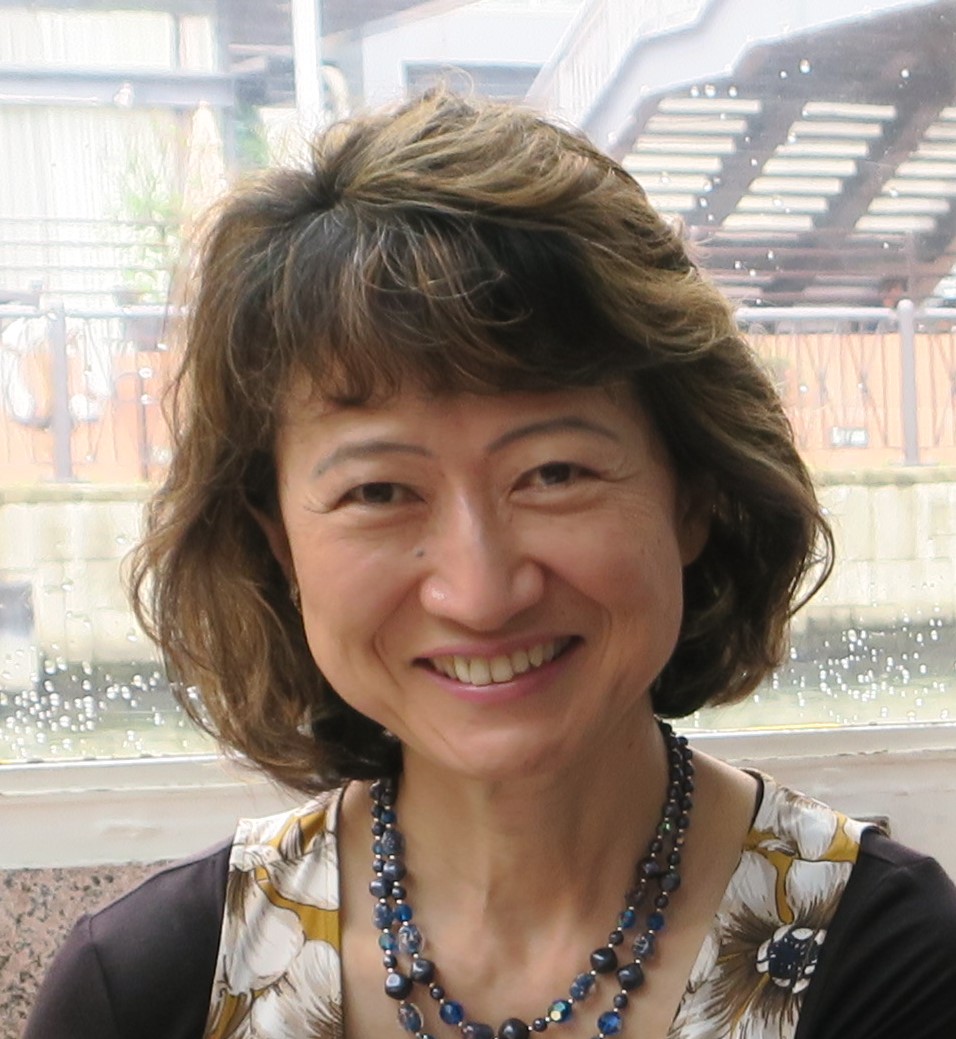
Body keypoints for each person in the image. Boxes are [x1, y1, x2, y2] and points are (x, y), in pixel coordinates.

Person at [25, 91, 956, 1039]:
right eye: (380, 492)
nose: (478, 588)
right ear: (279, 543)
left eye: (554, 473)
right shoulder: (146, 989)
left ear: (694, 495)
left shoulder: (892, 963)